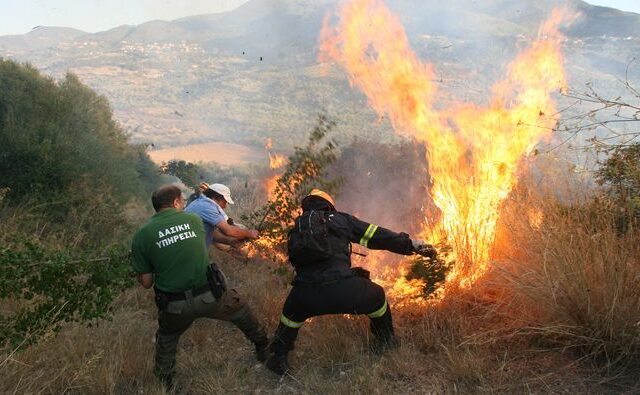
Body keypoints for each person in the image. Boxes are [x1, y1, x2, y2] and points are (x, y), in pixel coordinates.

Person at [266, 189, 437, 375]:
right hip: (343, 291)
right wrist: (410, 245)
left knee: (290, 314)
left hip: (305, 295)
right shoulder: (340, 220)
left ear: (306, 207)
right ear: (329, 205)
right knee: (378, 297)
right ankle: (385, 341)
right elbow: (376, 235)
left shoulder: (297, 229)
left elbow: (302, 265)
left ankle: (278, 358)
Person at [131, 185, 268, 388]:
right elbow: (212, 236)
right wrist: (236, 240)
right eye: (182, 201)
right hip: (210, 296)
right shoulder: (193, 220)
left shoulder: (141, 236)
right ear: (176, 202)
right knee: (240, 310)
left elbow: (146, 283)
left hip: (174, 306)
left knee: (166, 339)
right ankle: (263, 347)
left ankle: (165, 384)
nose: (184, 204)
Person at [185, 183, 259, 248]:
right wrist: (249, 233)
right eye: (224, 202)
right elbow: (229, 231)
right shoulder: (208, 207)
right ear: (215, 198)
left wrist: (229, 241)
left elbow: (212, 234)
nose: (225, 206)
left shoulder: (201, 202)